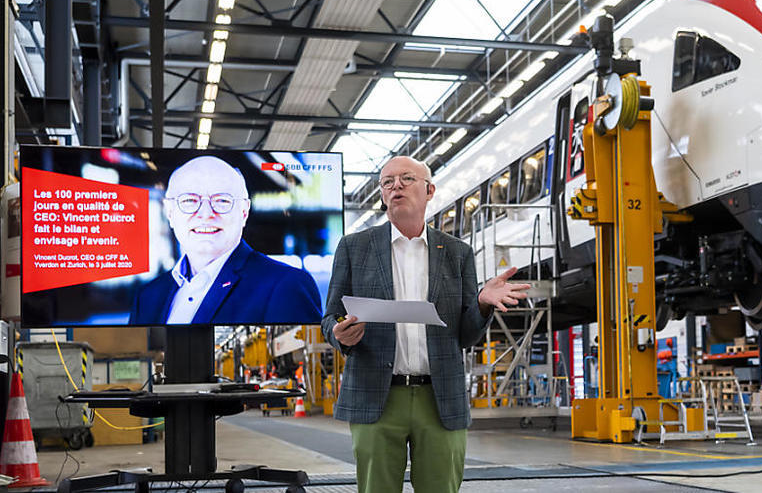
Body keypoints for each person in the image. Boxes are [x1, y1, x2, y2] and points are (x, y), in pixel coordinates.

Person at [322, 155, 529, 493]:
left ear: (429, 190)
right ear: (383, 194)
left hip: (440, 397)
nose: (396, 186)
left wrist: (481, 302)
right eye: (387, 182)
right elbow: (330, 317)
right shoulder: (354, 248)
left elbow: (466, 335)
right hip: (377, 396)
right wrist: (338, 333)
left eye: (406, 178)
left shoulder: (457, 253)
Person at [129, 155, 322, 325]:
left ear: (244, 212)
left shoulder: (287, 286)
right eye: (189, 201)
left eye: (222, 201)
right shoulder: (147, 297)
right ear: (170, 212)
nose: (206, 214)